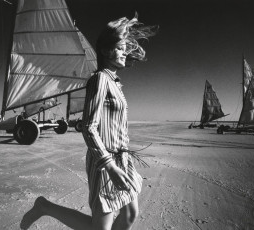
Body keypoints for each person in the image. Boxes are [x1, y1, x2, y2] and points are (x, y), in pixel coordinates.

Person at [20, 14, 157, 230]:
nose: (125, 52)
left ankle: (45, 206)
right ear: (105, 50)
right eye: (120, 48)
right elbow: (89, 127)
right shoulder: (100, 79)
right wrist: (110, 166)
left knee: (130, 214)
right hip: (105, 161)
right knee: (100, 227)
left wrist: (120, 163)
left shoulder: (115, 83)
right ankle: (44, 207)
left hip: (122, 158)